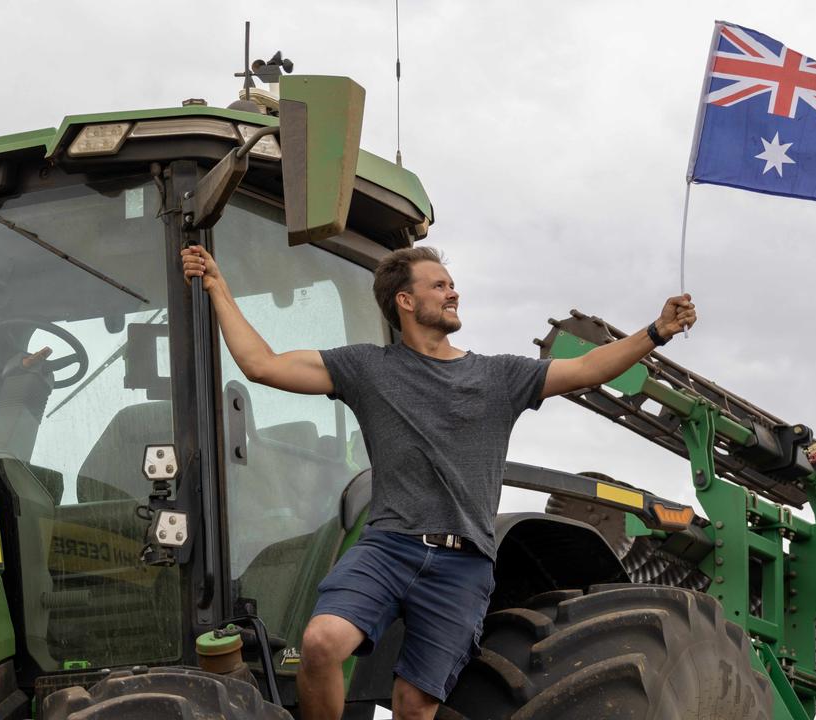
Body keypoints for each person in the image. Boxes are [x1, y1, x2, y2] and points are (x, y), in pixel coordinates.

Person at [182, 244, 696, 720]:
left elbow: (585, 368)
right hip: (387, 547)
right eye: (440, 285)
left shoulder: (500, 376)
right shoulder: (367, 368)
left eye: (452, 285)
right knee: (319, 643)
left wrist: (655, 332)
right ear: (405, 301)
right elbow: (263, 365)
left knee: (412, 706)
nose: (453, 293)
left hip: (464, 563)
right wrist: (218, 288)